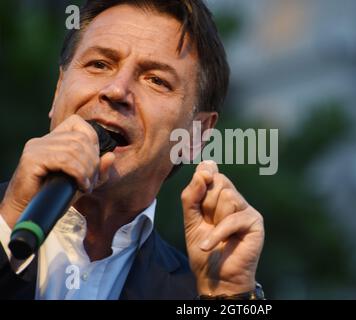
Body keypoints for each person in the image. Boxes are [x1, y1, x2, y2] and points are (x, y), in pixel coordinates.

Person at [0, 0, 265, 299]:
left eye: (156, 80)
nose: (116, 90)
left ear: (195, 135)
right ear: (58, 89)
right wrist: (9, 221)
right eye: (99, 64)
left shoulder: (198, 293)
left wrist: (231, 296)